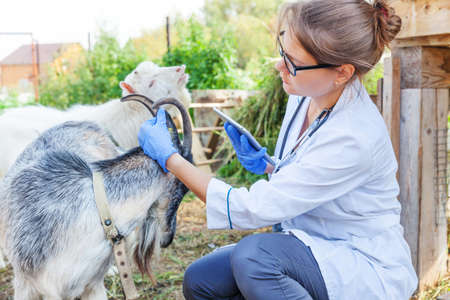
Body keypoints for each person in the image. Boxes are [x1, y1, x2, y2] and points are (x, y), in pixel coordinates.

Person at [137, 0, 418, 299]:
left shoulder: (354, 135)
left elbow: (250, 209)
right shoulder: (306, 94)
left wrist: (171, 159)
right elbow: (312, 177)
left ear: (342, 73)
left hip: (359, 264)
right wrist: (271, 166)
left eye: (293, 62)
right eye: (283, 50)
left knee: (255, 258)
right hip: (308, 246)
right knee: (201, 279)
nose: (279, 65)